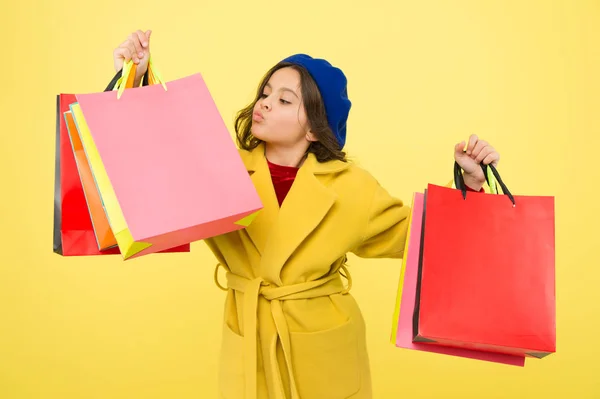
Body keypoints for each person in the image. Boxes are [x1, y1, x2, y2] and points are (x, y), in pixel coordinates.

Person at [110, 30, 501, 399]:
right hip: (250, 336)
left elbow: (422, 236)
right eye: (265, 93)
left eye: (284, 100)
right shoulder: (220, 167)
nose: (263, 103)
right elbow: (159, 160)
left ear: (316, 127)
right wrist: (138, 79)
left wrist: (470, 185)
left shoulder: (352, 186)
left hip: (325, 346)